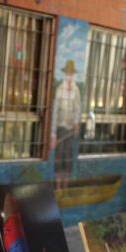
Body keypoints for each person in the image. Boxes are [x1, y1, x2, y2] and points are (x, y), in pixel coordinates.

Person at [51, 59, 81, 189]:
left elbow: (77, 109)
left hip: (70, 131)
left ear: (73, 75)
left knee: (68, 159)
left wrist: (76, 123)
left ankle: (66, 187)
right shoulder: (59, 90)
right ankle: (58, 188)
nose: (69, 76)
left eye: (71, 74)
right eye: (67, 74)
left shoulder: (76, 90)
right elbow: (55, 112)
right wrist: (53, 134)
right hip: (60, 129)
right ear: (65, 75)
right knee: (59, 159)